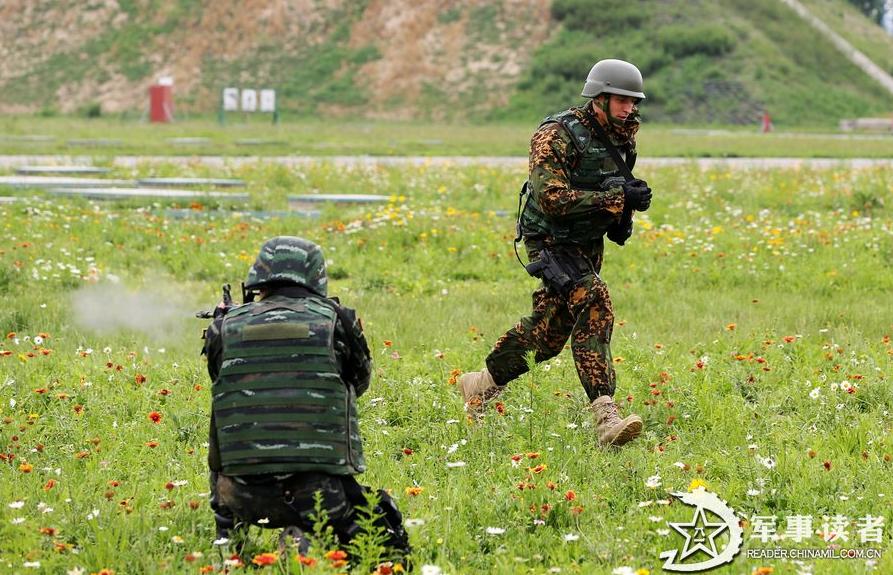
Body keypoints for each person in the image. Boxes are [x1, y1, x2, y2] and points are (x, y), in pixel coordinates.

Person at [458, 59, 652, 447]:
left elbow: (608, 185)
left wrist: (625, 211)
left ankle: (480, 385)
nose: (629, 108)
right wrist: (617, 197)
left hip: (585, 242)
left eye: (634, 101)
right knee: (595, 300)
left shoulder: (623, 135)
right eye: (621, 100)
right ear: (599, 97)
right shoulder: (557, 134)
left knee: (548, 333)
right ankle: (605, 415)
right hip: (549, 240)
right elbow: (551, 199)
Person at [202, 236, 410, 560]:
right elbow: (359, 382)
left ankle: (229, 548)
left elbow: (221, 379)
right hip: (322, 498)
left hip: (239, 495)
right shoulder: (336, 320)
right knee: (388, 538)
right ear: (315, 276)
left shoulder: (224, 326)